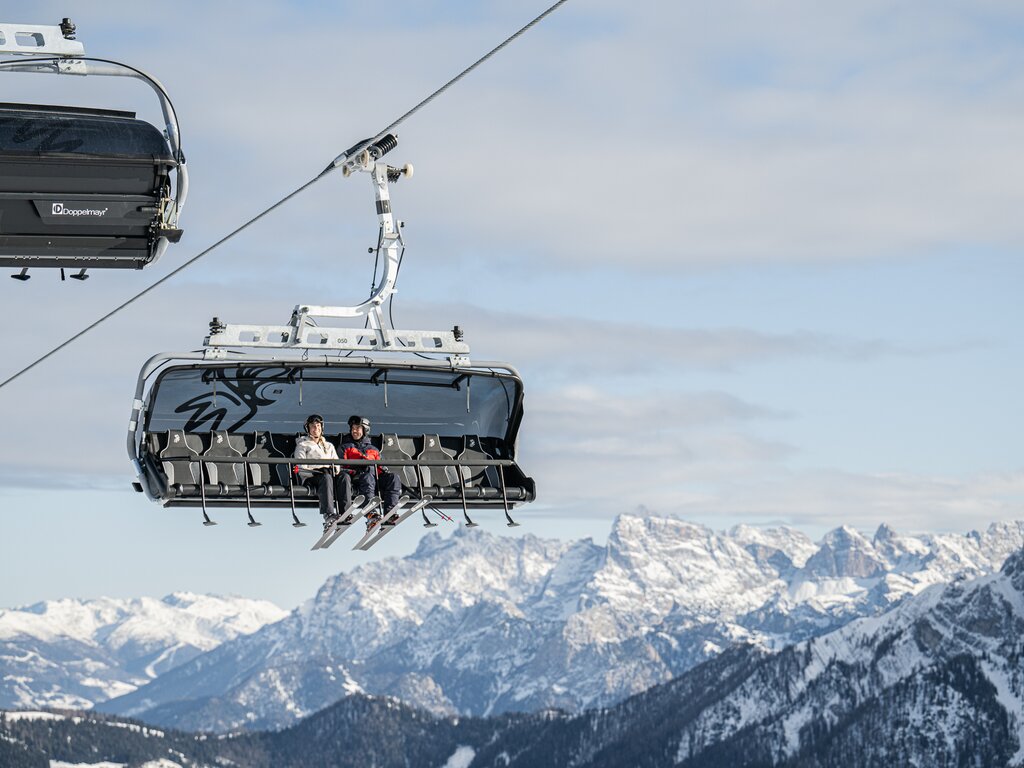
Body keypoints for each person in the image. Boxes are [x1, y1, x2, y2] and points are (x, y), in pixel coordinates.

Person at [293, 414, 352, 533]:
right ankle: (329, 514)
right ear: (308, 429)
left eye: (318, 426)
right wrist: (317, 471)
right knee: (325, 477)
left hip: (329, 475)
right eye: (313, 426)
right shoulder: (302, 445)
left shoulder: (328, 445)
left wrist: (333, 470)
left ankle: (345, 512)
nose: (316, 429)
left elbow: (336, 464)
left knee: (344, 476)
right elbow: (301, 468)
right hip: (312, 478)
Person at [341, 414, 401, 527]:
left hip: (374, 478)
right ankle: (370, 512)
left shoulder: (373, 449)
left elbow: (380, 467)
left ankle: (390, 513)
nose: (354, 431)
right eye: (353, 428)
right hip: (357, 478)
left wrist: (384, 471)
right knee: (367, 476)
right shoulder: (345, 447)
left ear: (365, 430)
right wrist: (357, 469)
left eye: (357, 428)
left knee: (393, 477)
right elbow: (341, 467)